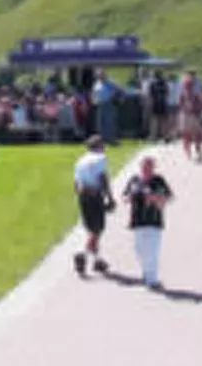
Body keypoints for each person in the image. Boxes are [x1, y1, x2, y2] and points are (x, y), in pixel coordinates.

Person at [123, 154, 174, 290]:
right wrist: (129, 196)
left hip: (154, 221)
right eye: (145, 166)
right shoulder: (134, 180)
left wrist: (155, 198)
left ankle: (152, 280)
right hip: (137, 221)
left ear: (154, 168)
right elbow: (124, 196)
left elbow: (169, 197)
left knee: (152, 251)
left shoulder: (159, 180)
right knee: (139, 250)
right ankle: (147, 272)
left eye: (150, 166)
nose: (147, 169)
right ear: (140, 167)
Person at [71, 135, 114, 277]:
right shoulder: (100, 159)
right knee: (97, 229)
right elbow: (103, 179)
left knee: (91, 228)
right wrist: (110, 197)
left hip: (83, 196)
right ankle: (82, 254)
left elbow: (76, 184)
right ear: (100, 146)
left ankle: (97, 260)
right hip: (95, 195)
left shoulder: (80, 161)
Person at [176, 70, 202, 162]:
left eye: (190, 84)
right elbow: (180, 105)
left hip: (193, 115)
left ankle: (198, 152)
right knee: (187, 135)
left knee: (196, 135)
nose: (188, 86)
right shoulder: (183, 94)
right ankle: (189, 153)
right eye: (187, 84)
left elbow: (200, 105)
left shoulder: (195, 94)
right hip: (186, 115)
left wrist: (198, 111)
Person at [92, 72, 118, 145]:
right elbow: (94, 93)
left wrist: (111, 96)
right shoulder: (97, 84)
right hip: (99, 104)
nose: (100, 77)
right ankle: (102, 139)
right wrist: (94, 99)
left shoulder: (109, 83)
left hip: (107, 103)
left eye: (101, 75)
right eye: (99, 75)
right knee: (100, 122)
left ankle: (111, 139)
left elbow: (116, 90)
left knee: (109, 121)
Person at [148, 72, 170, 142]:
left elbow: (150, 95)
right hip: (163, 103)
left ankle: (153, 136)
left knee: (155, 120)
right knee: (163, 121)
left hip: (155, 103)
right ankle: (165, 136)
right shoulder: (164, 84)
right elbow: (167, 94)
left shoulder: (152, 84)